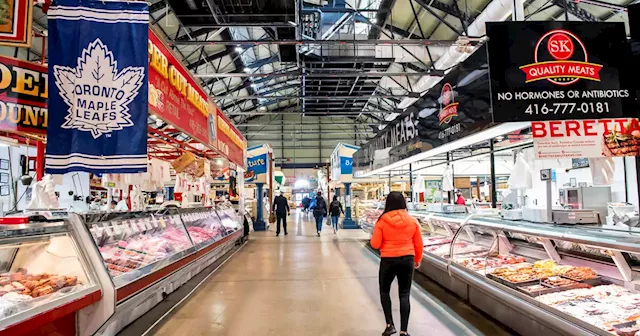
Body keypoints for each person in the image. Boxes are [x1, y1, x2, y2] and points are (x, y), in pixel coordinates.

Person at [370, 191, 423, 336]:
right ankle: (404, 331)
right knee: (404, 294)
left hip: (388, 260)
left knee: (384, 291)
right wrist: (417, 259)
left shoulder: (382, 221)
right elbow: (418, 243)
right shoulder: (412, 221)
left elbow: (375, 243)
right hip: (407, 259)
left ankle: (389, 325)